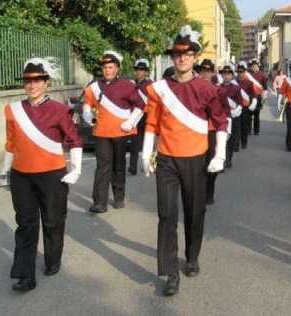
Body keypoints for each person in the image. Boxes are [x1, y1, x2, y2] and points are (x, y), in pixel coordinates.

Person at [142, 25, 229, 297]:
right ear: (172, 58)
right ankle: (170, 273)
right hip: (167, 159)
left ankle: (192, 256)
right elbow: (152, 124)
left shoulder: (207, 89)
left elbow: (221, 121)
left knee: (194, 212)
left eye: (187, 54)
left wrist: (220, 154)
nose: (182, 59)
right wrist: (146, 153)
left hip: (195, 159)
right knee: (166, 215)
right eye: (177, 55)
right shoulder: (159, 89)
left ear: (193, 57)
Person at [2, 57, 83, 291]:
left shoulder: (59, 110)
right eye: (28, 81)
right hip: (21, 176)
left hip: (52, 176)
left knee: (53, 221)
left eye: (37, 80)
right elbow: (10, 143)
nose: (32, 85)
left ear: (46, 83)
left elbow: (74, 140)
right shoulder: (12, 111)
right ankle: (25, 276)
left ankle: (52, 259)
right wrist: (5, 170)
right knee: (25, 224)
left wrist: (76, 169)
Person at [82, 51, 146, 213]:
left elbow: (141, 105)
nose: (107, 70)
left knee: (118, 165)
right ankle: (100, 202)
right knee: (102, 166)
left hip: (121, 132)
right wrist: (87, 113)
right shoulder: (94, 87)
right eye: (104, 67)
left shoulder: (128, 85)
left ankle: (119, 196)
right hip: (101, 133)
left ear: (117, 68)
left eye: (110, 67)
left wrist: (130, 122)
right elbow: (87, 103)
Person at [196, 59, 230, 205]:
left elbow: (226, 112)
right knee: (196, 163)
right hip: (195, 130)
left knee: (211, 161)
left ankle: (209, 190)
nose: (205, 74)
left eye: (208, 71)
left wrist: (227, 131)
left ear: (212, 73)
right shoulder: (193, 89)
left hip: (212, 130)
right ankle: (198, 191)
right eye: (203, 71)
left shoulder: (219, 91)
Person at [128, 58, 153, 175]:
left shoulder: (150, 84)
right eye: (137, 70)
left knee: (147, 142)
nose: (139, 72)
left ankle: (148, 165)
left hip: (147, 115)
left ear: (145, 72)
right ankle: (132, 166)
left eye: (141, 70)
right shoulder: (131, 84)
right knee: (134, 141)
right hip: (135, 115)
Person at [218, 63, 244, 169]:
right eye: (224, 74)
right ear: (222, 75)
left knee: (231, 140)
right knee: (222, 138)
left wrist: (236, 111)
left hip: (234, 116)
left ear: (232, 75)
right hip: (222, 116)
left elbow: (241, 102)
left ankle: (229, 159)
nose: (226, 76)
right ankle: (224, 160)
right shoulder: (217, 88)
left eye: (228, 74)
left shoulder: (236, 88)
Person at [235, 61, 257, 149]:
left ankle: (244, 142)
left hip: (245, 108)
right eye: (239, 72)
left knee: (244, 126)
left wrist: (253, 103)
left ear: (245, 72)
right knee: (236, 127)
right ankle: (236, 144)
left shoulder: (249, 83)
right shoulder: (233, 82)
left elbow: (254, 95)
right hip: (236, 107)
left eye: (242, 72)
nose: (240, 74)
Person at [246, 59, 268, 135]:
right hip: (249, 97)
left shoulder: (261, 76)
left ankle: (256, 130)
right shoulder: (247, 75)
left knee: (256, 115)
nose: (254, 68)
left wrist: (265, 97)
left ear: (258, 67)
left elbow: (265, 87)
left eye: (255, 66)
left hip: (258, 98)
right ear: (251, 67)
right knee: (248, 115)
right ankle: (248, 130)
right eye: (253, 66)